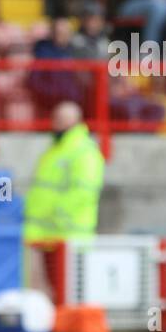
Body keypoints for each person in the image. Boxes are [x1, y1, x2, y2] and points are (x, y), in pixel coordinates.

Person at [23, 100, 105, 241]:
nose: (55, 123)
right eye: (55, 118)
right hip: (43, 235)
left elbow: (84, 191)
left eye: (61, 119)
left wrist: (59, 215)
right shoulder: (55, 150)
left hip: (69, 236)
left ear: (75, 121)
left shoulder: (84, 152)